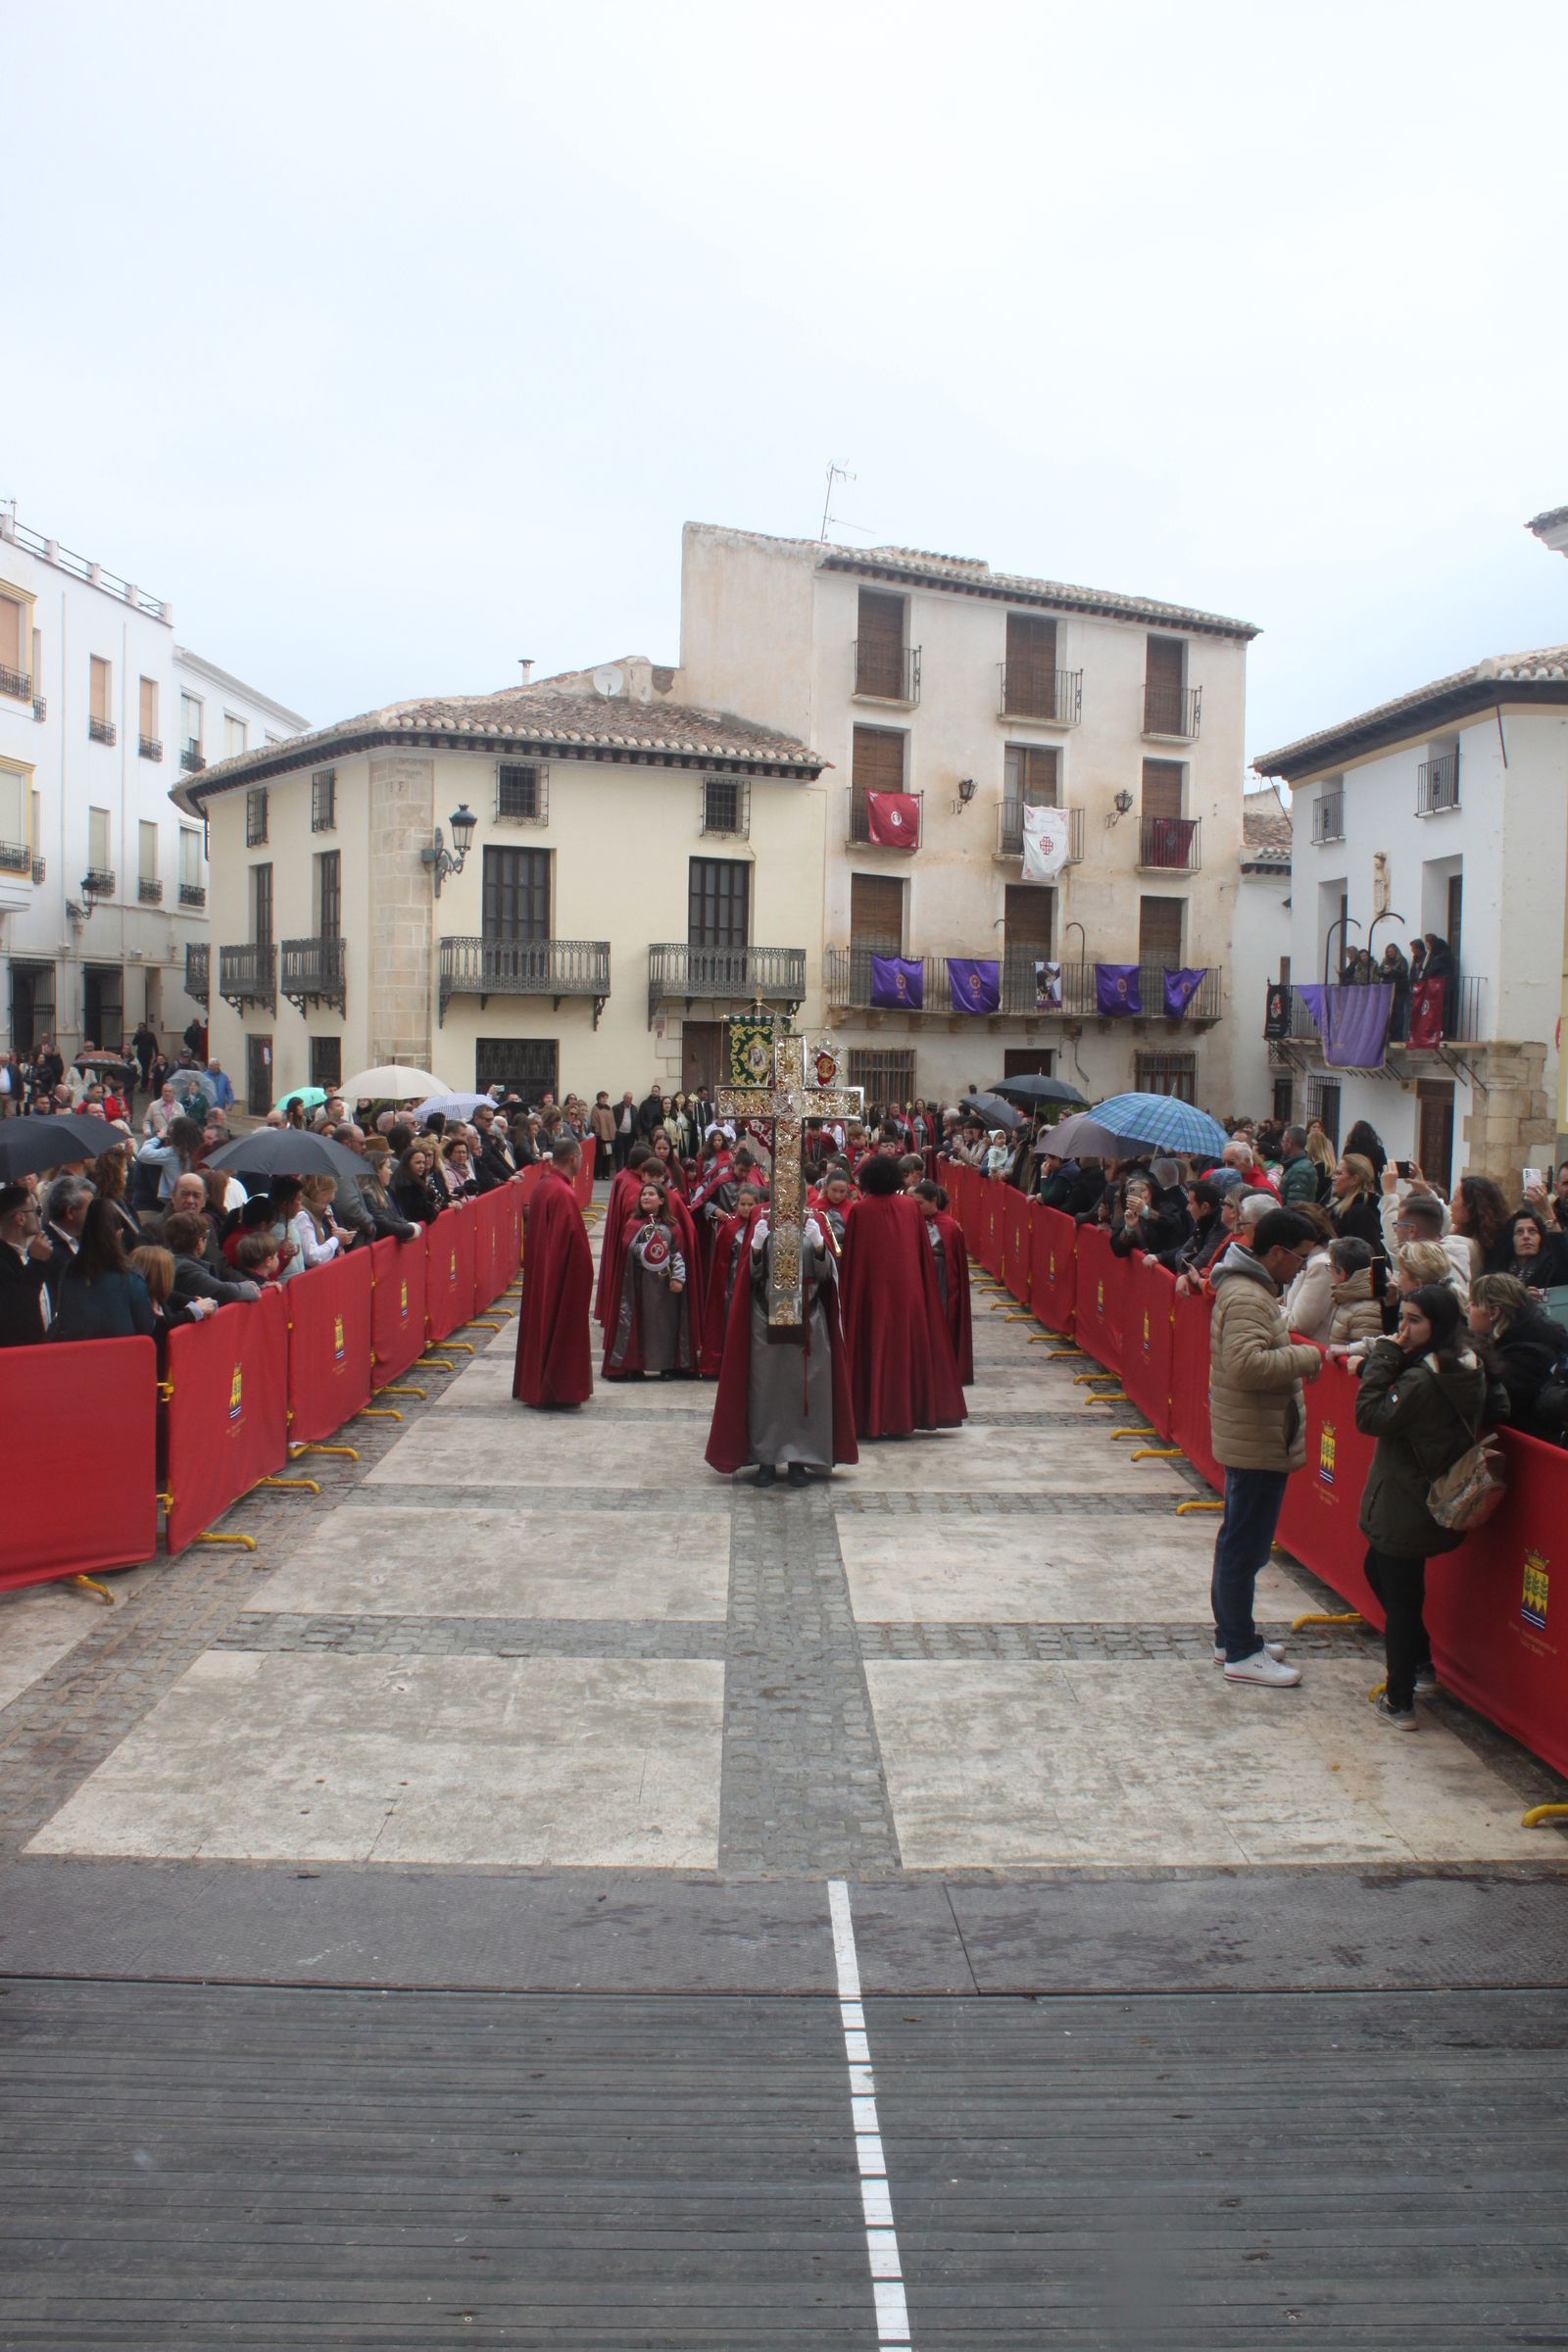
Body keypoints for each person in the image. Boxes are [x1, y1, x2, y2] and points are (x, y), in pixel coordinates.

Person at [1353, 1282, 1505, 1729]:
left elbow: (1369, 1416)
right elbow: (1499, 1404)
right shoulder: (1469, 1365)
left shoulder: (1422, 1379)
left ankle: (1400, 1699)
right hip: (1435, 1492)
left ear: (1436, 1325)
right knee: (1381, 1573)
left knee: (1402, 1600)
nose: (1403, 1328)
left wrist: (1385, 1355)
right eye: (1402, 1318)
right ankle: (1420, 1664)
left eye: (1414, 1320)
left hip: (1405, 1499)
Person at [1207, 1207, 1323, 1686]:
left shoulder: (1250, 1289)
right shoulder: (1248, 1297)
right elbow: (1247, 1366)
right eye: (1299, 1257)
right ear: (1276, 1252)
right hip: (1255, 1437)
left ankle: (1233, 1636)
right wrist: (1306, 1355)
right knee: (1245, 1547)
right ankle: (1240, 1651)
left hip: (1255, 1432)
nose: (1301, 1267)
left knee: (1239, 1542)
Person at [705, 1201, 858, 1487]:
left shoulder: (814, 1221)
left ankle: (799, 1458)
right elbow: (751, 1276)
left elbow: (825, 1274)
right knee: (765, 1389)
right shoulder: (761, 1219)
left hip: (809, 1316)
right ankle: (767, 1458)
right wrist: (756, 1248)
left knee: (805, 1390)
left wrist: (819, 1246)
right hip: (765, 1318)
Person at [838, 1152, 966, 1439]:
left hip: (871, 1294)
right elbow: (920, 1252)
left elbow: (853, 1260)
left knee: (873, 1347)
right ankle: (904, 1415)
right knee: (904, 1350)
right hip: (909, 1293)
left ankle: (871, 1417)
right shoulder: (909, 1207)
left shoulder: (860, 1211)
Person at [513, 1137, 594, 1408]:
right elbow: (574, 1243)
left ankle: (536, 1384)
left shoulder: (543, 1186)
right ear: (573, 1158)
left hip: (544, 1270)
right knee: (560, 1326)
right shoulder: (562, 1193)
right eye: (580, 1157)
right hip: (560, 1274)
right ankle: (559, 1389)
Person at [604, 1178, 699, 1379]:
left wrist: (678, 1278)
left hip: (665, 1288)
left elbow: (677, 1254)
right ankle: (634, 1365)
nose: (646, 1197)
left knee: (665, 1327)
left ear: (662, 1200)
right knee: (638, 1325)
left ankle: (668, 1365)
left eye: (651, 1194)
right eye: (643, 1194)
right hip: (639, 1284)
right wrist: (646, 1249)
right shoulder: (633, 1223)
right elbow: (627, 1249)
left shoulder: (672, 1226)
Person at [1467, 1274, 1568, 1445]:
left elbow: (1494, 1408)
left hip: (1531, 1447)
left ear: (1494, 1312)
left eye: (1474, 1303)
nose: (1467, 1308)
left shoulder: (1525, 1356)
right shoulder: (1526, 1337)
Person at [47, 1200, 157, 1342]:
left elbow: (64, 1319)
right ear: (118, 1234)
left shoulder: (70, 1271)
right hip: (120, 1352)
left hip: (80, 1351)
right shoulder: (129, 1275)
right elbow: (146, 1326)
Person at [914, 1178, 973, 1385]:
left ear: (933, 1201)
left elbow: (956, 1261)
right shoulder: (913, 1222)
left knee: (944, 1316)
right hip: (920, 1273)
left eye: (920, 1203)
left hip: (942, 1277)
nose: (917, 1207)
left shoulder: (949, 1226)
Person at [0, 1182, 53, 1345]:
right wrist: (37, 1263)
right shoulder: (4, 1262)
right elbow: (18, 1308)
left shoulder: (30, 1254)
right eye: (38, 1211)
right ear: (19, 1218)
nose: (40, 1217)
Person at [1450, 1174, 1512, 1280]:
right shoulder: (1496, 1239)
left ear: (1469, 1207)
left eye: (1455, 1199)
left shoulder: (1458, 1244)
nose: (1451, 1204)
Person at [1502, 1205, 1568, 1294]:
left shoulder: (1552, 1270)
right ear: (1511, 1239)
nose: (1526, 1236)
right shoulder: (1500, 1273)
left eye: (1532, 1231)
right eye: (1519, 1232)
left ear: (1541, 1237)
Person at [1327, 1152, 1383, 1251]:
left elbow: (1368, 1253)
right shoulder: (1338, 1206)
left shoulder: (1361, 1212)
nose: (1333, 1178)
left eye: (1339, 1173)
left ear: (1354, 1179)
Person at [390, 1142, 446, 1226]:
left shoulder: (413, 1181)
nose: (422, 1166)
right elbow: (423, 1215)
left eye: (423, 1162)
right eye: (418, 1163)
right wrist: (433, 1210)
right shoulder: (408, 1186)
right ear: (407, 1163)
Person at [1275, 1126, 1318, 1208]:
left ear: (1289, 1143)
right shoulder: (1299, 1165)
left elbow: (1294, 1207)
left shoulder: (1299, 1171)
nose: (1281, 1144)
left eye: (1283, 1141)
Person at [588, 1091, 617, 1180]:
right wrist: (598, 1132)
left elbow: (612, 1122)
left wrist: (612, 1133)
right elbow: (594, 1122)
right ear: (599, 1098)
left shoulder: (609, 1108)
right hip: (599, 1136)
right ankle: (598, 1174)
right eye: (603, 1097)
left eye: (606, 1098)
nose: (604, 1099)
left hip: (608, 1137)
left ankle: (606, 1174)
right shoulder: (595, 1108)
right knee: (598, 1156)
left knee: (607, 1155)